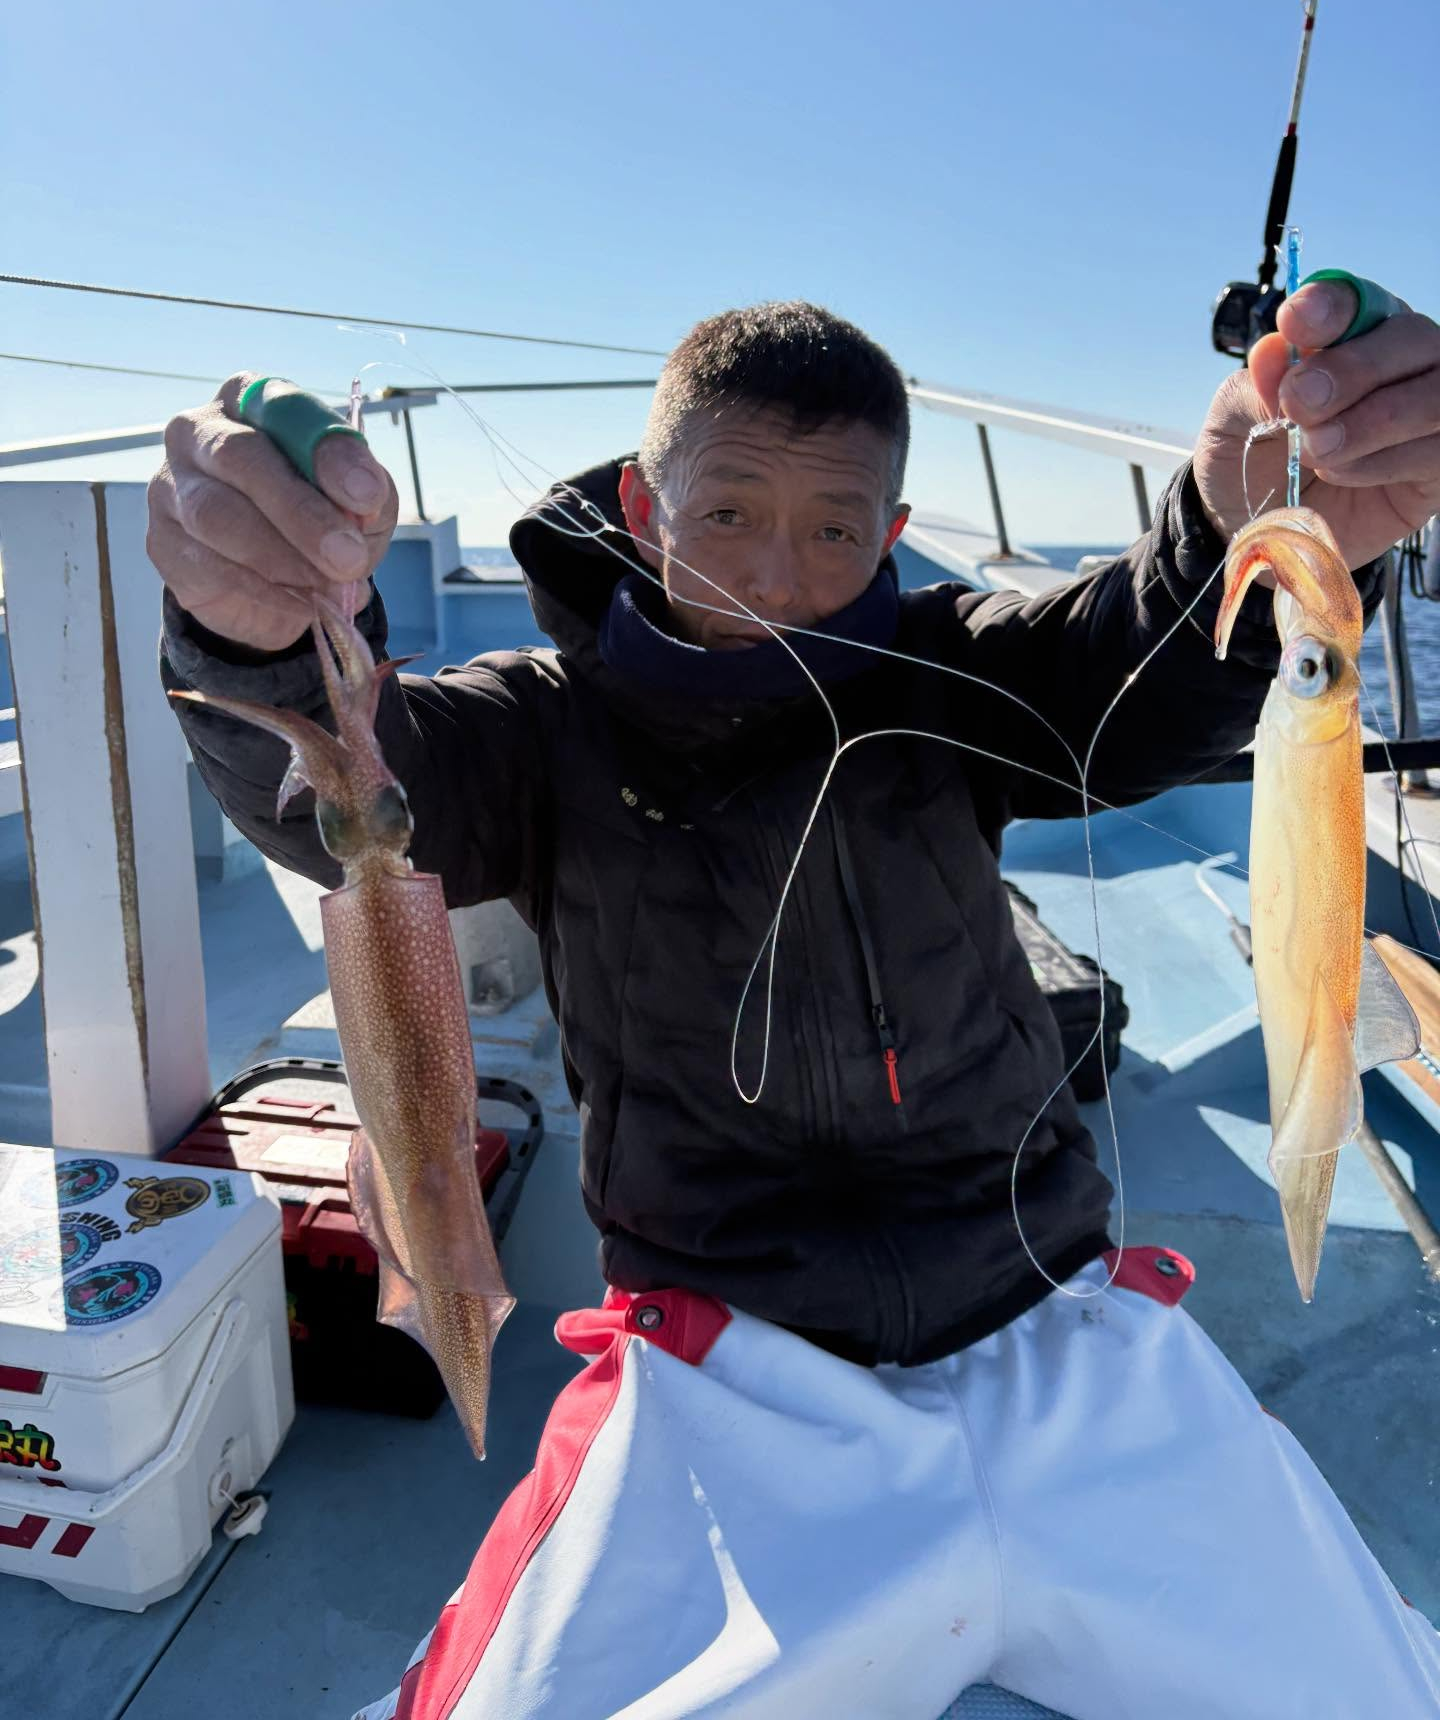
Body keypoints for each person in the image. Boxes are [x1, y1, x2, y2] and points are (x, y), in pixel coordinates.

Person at [150, 292, 1440, 1719]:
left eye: (835, 530)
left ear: (893, 536)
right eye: (728, 515)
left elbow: (1127, 668)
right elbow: (358, 785)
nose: (780, 573)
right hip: (722, 1364)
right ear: (644, 508)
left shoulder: (957, 667)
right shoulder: (538, 725)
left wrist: (1249, 540)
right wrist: (254, 646)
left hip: (1057, 1318)